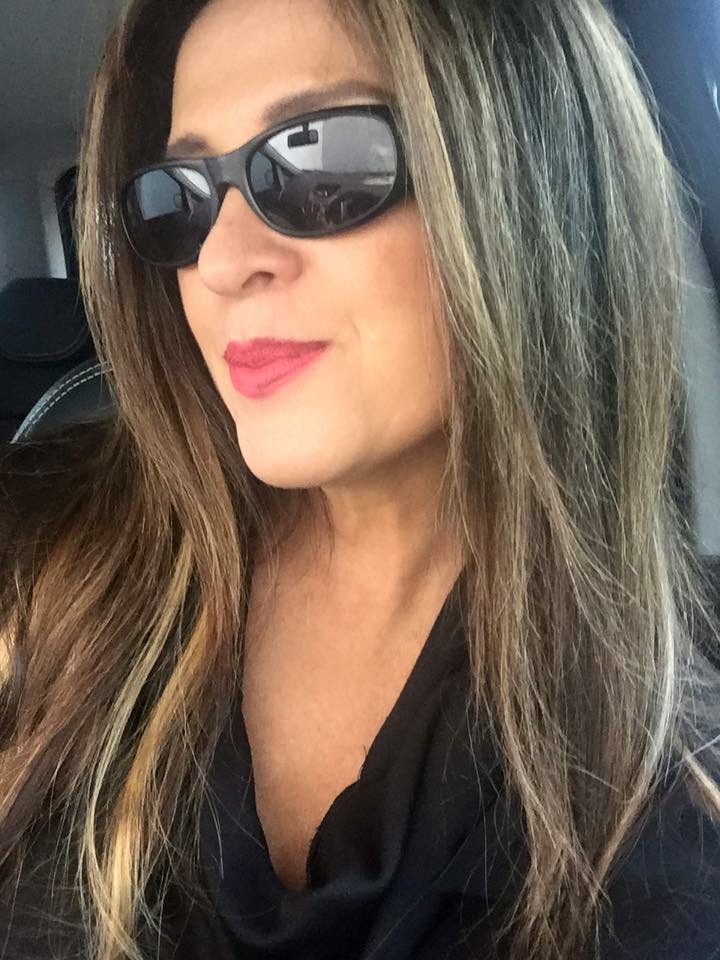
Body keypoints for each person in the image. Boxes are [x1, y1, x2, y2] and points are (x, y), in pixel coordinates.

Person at [1, 0, 720, 957]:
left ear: (530, 182)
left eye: (320, 162)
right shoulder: (43, 562)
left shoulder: (678, 745)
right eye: (181, 196)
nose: (221, 262)